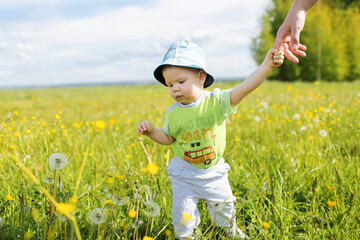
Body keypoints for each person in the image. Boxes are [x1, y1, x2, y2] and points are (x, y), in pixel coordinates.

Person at [137, 41, 284, 239]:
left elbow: (245, 87)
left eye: (180, 82)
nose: (175, 89)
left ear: (201, 77)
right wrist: (152, 131)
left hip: (214, 172)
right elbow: (168, 137)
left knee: (225, 212)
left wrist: (267, 66)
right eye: (170, 85)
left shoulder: (216, 102)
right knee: (183, 218)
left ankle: (231, 232)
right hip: (184, 173)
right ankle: (187, 236)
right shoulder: (173, 113)